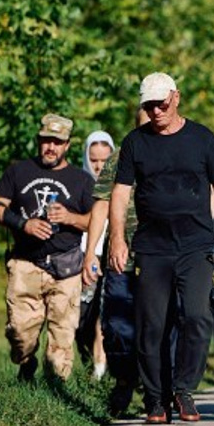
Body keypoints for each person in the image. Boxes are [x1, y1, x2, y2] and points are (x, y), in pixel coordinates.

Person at [109, 72, 214, 423]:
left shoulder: (201, 137)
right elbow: (120, 193)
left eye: (161, 103)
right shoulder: (135, 142)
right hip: (152, 247)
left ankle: (183, 389)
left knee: (197, 317)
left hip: (195, 245)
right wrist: (117, 238)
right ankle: (156, 399)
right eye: (148, 105)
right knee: (151, 325)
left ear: (176, 97)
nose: (155, 110)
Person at [0, 114, 95, 383]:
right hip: (26, 264)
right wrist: (24, 224)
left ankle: (56, 394)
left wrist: (70, 217)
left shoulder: (81, 180)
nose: (51, 147)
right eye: (46, 140)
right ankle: (26, 362)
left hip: (67, 267)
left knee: (62, 340)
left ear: (68, 145)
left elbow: (96, 221)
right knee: (20, 335)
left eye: (57, 142)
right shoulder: (19, 171)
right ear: (38, 141)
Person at [84, 111, 146, 417]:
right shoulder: (119, 157)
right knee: (116, 326)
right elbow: (100, 207)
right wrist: (91, 253)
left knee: (161, 325)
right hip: (120, 256)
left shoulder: (175, 153)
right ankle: (124, 378)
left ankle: (161, 387)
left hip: (160, 256)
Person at [77, 129, 116, 378]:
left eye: (104, 160)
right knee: (83, 316)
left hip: (111, 254)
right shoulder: (79, 184)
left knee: (106, 312)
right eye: (94, 160)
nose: (99, 165)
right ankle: (86, 363)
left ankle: (101, 368)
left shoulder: (119, 184)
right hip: (83, 255)